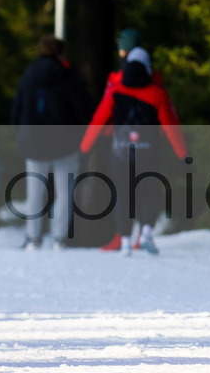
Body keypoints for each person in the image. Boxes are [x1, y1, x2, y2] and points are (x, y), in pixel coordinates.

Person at [80, 47, 189, 256]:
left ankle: (126, 242)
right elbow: (171, 127)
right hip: (149, 152)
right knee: (149, 192)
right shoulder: (158, 94)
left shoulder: (115, 92)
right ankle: (146, 232)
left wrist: (84, 149)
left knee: (123, 194)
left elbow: (98, 121)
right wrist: (183, 155)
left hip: (120, 152)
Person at [10, 35, 94, 250]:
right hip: (65, 144)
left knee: (35, 193)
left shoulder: (29, 75)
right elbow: (82, 109)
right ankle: (59, 238)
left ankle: (32, 238)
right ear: (60, 52)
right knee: (65, 193)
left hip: (33, 143)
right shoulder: (68, 75)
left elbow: (17, 109)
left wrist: (20, 134)